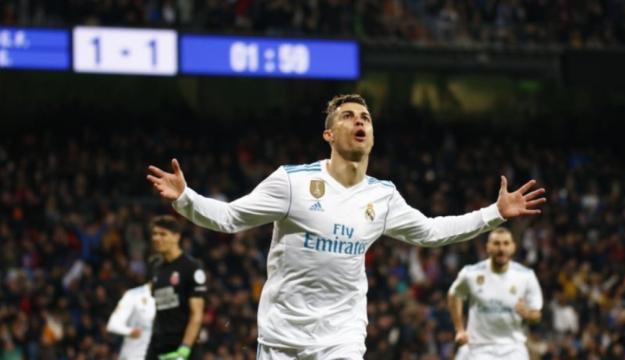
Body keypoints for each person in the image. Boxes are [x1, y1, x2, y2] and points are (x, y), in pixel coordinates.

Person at [146, 94, 546, 359]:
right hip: (281, 335)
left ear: (371, 135)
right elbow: (231, 218)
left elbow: (431, 232)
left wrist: (494, 212)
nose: (360, 122)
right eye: (349, 116)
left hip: (342, 336)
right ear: (328, 134)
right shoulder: (292, 181)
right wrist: (186, 197)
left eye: (366, 117)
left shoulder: (383, 196)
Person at [448, 227, 543, 360]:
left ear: (513, 247)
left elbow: (537, 314)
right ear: (488, 247)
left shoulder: (526, 276)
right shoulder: (471, 273)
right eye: (496, 243)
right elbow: (454, 294)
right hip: (478, 347)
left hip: (513, 348)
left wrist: (527, 313)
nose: (501, 249)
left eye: (506, 243)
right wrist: (459, 329)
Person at [145, 216, 207, 360]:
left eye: (162, 234)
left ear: (176, 237)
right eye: (154, 234)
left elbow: (197, 314)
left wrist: (184, 350)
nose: (156, 238)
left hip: (183, 345)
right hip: (158, 344)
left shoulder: (192, 267)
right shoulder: (155, 266)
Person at [107, 283, 156, 360]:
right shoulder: (133, 295)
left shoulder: (169, 296)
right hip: (134, 355)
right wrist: (130, 331)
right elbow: (113, 324)